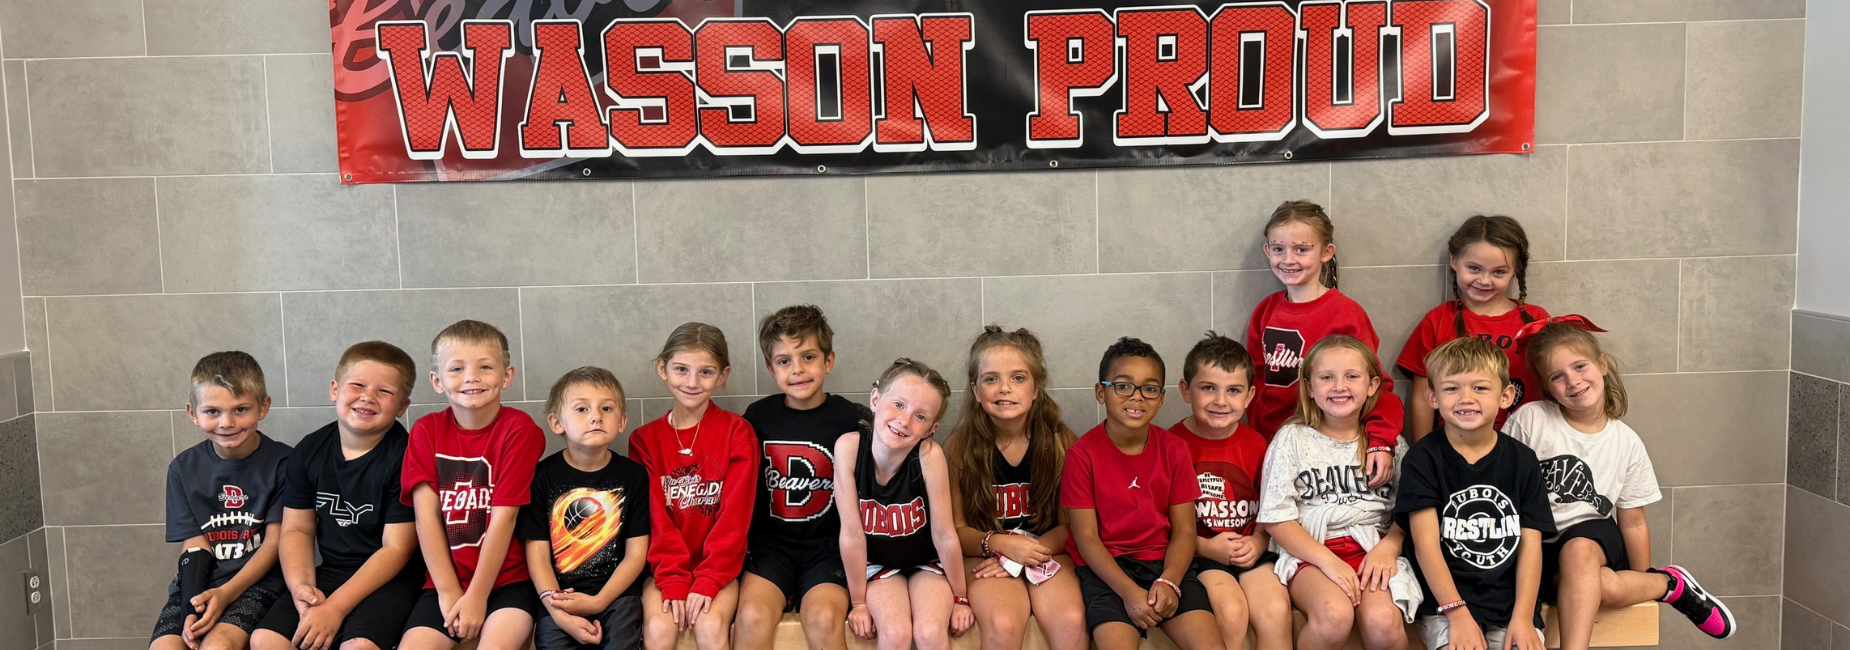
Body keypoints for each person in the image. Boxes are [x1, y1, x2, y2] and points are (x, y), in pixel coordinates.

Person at [1506, 318, 1734, 649]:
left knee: (1580, 550)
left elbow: (1634, 521)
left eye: (1580, 366)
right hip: (1539, 547)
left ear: (1602, 365)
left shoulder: (1626, 442)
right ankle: (1669, 585)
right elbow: (1505, 487)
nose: (1573, 381)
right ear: (1547, 386)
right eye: (1558, 376)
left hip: (1594, 537)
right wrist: (1642, 585)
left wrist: (1637, 576)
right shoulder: (1532, 420)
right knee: (1606, 587)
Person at [252, 342, 423, 650]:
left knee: (358, 647)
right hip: (329, 573)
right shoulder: (309, 450)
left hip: (391, 580)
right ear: (335, 389)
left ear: (402, 406)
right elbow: (297, 529)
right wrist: (301, 588)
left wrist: (335, 608)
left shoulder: (407, 455)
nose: (368, 396)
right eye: (357, 385)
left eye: (384, 391)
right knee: (265, 640)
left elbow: (396, 550)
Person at [1258, 336, 1420, 650]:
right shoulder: (1292, 439)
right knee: (1334, 615)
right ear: (1309, 387)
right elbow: (1276, 518)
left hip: (1373, 549)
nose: (1339, 386)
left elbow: (1411, 509)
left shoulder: (1391, 446)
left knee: (1383, 623)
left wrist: (1390, 547)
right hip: (1312, 551)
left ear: (1373, 385)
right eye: (1327, 377)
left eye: (1351, 376)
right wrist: (1330, 563)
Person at [1063, 338, 1225, 650]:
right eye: (1123, 386)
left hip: (1167, 563)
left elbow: (1185, 530)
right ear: (1101, 392)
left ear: (1161, 398)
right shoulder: (1082, 455)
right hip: (1108, 571)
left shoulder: (1174, 449)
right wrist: (1128, 592)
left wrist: (1169, 580)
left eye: (1149, 388)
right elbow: (1086, 538)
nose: (1137, 397)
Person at [1395, 337, 1552, 650]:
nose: (1466, 398)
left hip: (1511, 605)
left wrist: (1523, 617)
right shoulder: (1423, 459)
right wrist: (1457, 614)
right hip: (1447, 604)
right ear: (1432, 397)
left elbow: (1531, 545)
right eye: (1452, 388)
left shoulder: (1522, 460)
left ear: (1506, 396)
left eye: (1480, 388)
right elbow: (1426, 546)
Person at [399, 320, 546, 650]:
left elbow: (505, 517)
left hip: (509, 580)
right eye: (457, 368)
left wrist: (477, 596)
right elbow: (426, 517)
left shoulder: (519, 430)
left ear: (506, 376)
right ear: (437, 381)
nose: (471, 377)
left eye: (485, 367)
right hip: (444, 579)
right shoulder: (426, 431)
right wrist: (449, 591)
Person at [945, 326, 1087, 650]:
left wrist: (1023, 554)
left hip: (1047, 550)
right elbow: (955, 530)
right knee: (1003, 622)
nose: (1004, 388)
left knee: (1070, 620)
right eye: (991, 378)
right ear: (975, 390)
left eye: (1018, 378)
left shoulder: (1061, 441)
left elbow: (1073, 525)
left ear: (1036, 388)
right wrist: (1003, 546)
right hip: (985, 553)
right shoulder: (959, 448)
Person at [1246, 200, 1403, 488]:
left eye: (1302, 249)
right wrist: (1257, 441)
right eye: (1279, 249)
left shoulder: (1346, 314)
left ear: (1326, 253)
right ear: (1267, 251)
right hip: (1274, 446)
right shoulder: (1264, 312)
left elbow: (1376, 384)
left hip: (1326, 452)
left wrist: (1380, 440)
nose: (1288, 259)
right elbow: (1253, 385)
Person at [736, 306, 867, 650]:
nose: (797, 370)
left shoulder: (851, 419)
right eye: (784, 361)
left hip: (829, 548)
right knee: (751, 618)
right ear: (770, 368)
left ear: (829, 360)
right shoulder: (757, 417)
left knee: (823, 619)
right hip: (770, 547)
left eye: (808, 356)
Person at [630, 323, 757, 650]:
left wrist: (709, 579)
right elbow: (655, 519)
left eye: (706, 372)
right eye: (681, 369)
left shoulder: (737, 432)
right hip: (664, 570)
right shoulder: (644, 440)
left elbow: (735, 518)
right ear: (662, 368)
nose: (692, 382)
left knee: (710, 627)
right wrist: (673, 580)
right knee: (659, 630)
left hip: (719, 568)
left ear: (723, 375)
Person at [154, 351, 293, 650]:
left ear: (263, 407)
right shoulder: (182, 468)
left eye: (240, 409)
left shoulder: (285, 463)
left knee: (217, 646)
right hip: (198, 586)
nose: (227, 422)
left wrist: (227, 594)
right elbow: (194, 546)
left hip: (261, 584)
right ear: (193, 413)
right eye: (213, 411)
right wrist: (194, 608)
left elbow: (274, 545)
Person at [836, 359, 974, 650]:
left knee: (929, 633)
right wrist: (858, 601)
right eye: (898, 404)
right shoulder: (849, 448)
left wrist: (961, 598)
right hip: (878, 564)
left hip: (926, 563)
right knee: (896, 633)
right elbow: (850, 534)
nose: (905, 420)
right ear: (875, 399)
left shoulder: (928, 456)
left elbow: (945, 534)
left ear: (931, 428)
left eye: (920, 416)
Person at [1168, 332, 1291, 650]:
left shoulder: (1258, 444)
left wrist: (1259, 539)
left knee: (1275, 610)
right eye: (1208, 388)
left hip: (1252, 549)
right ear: (1186, 390)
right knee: (1231, 611)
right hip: (1198, 556)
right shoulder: (1170, 446)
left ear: (1250, 395)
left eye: (1233, 390)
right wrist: (1206, 549)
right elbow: (1159, 523)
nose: (1221, 401)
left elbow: (1272, 507)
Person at [520, 367, 652, 650]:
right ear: (556, 422)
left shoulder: (634, 476)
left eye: (606, 408)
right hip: (559, 596)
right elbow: (538, 557)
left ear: (622, 421)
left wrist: (600, 601)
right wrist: (557, 609)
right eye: (581, 409)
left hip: (618, 596)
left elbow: (636, 554)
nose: (596, 416)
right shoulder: (541, 477)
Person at [1398, 215, 1550, 441]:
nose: (1485, 280)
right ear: (1454, 261)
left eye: (1499, 272)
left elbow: (1551, 385)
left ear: (1515, 270)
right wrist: (1422, 452)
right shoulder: (1437, 320)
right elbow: (1423, 397)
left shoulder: (1536, 320)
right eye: (1474, 268)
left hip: (1525, 445)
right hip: (1454, 447)